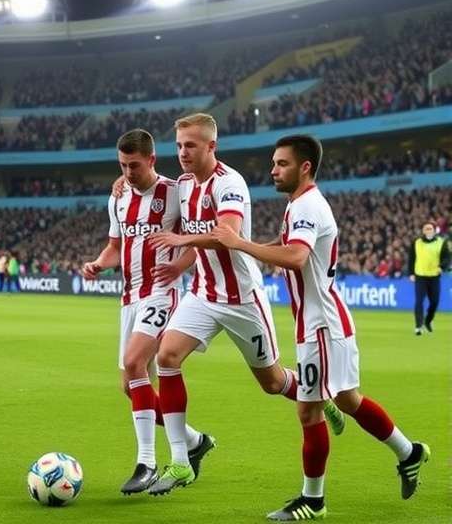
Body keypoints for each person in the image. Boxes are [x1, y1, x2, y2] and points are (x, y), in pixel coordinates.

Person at [211, 135, 430, 520]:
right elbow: (288, 244)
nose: (273, 170)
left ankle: (313, 499)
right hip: (323, 321)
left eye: (281, 164)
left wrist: (241, 244)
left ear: (305, 167)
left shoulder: (308, 204)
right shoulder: (299, 204)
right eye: (274, 163)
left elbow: (295, 256)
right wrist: (254, 244)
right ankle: (408, 452)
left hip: (322, 326)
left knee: (309, 412)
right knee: (347, 400)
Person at [142, 113, 344, 496]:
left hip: (242, 300)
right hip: (202, 294)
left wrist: (184, 243)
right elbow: (147, 182)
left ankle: (318, 394)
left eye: (191, 145)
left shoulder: (230, 184)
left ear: (211, 147)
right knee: (166, 357)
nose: (183, 153)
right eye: (179, 145)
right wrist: (123, 182)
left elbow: (227, 235)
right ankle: (182, 462)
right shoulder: (183, 184)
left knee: (271, 382)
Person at [83, 128, 214, 495]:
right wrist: (97, 264)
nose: (127, 173)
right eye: (122, 166)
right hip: (130, 297)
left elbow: (197, 241)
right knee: (130, 384)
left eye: (135, 166)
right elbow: (114, 246)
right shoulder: (119, 198)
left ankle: (147, 462)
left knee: (134, 362)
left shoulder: (175, 192)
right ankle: (194, 440)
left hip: (162, 293)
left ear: (152, 160)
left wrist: (179, 266)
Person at [408, 221, 449, 335]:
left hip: (434, 276)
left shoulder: (441, 243)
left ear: (434, 230)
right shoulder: (417, 243)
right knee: (419, 301)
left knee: (434, 302)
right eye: (426, 229)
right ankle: (418, 326)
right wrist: (411, 273)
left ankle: (428, 321)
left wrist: (442, 267)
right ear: (423, 231)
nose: (428, 231)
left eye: (430, 229)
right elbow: (411, 258)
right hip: (420, 276)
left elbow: (447, 258)